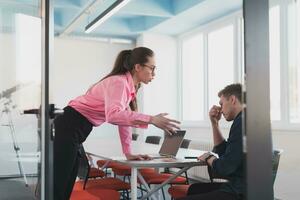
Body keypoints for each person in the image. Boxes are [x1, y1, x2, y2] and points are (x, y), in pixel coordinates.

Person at [53, 47, 180, 200]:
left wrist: (128, 153)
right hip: (70, 124)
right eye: (152, 68)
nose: (154, 74)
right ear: (138, 67)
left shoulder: (128, 86)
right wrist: (151, 119)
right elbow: (113, 116)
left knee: (66, 182)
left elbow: (123, 120)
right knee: (60, 183)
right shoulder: (119, 82)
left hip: (73, 126)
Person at [179, 83, 244, 200]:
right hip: (242, 187)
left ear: (233, 100)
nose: (220, 109)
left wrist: (209, 158)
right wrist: (214, 123)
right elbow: (224, 152)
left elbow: (225, 167)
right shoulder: (244, 119)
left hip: (239, 192)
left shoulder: (242, 123)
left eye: (222, 104)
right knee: (194, 189)